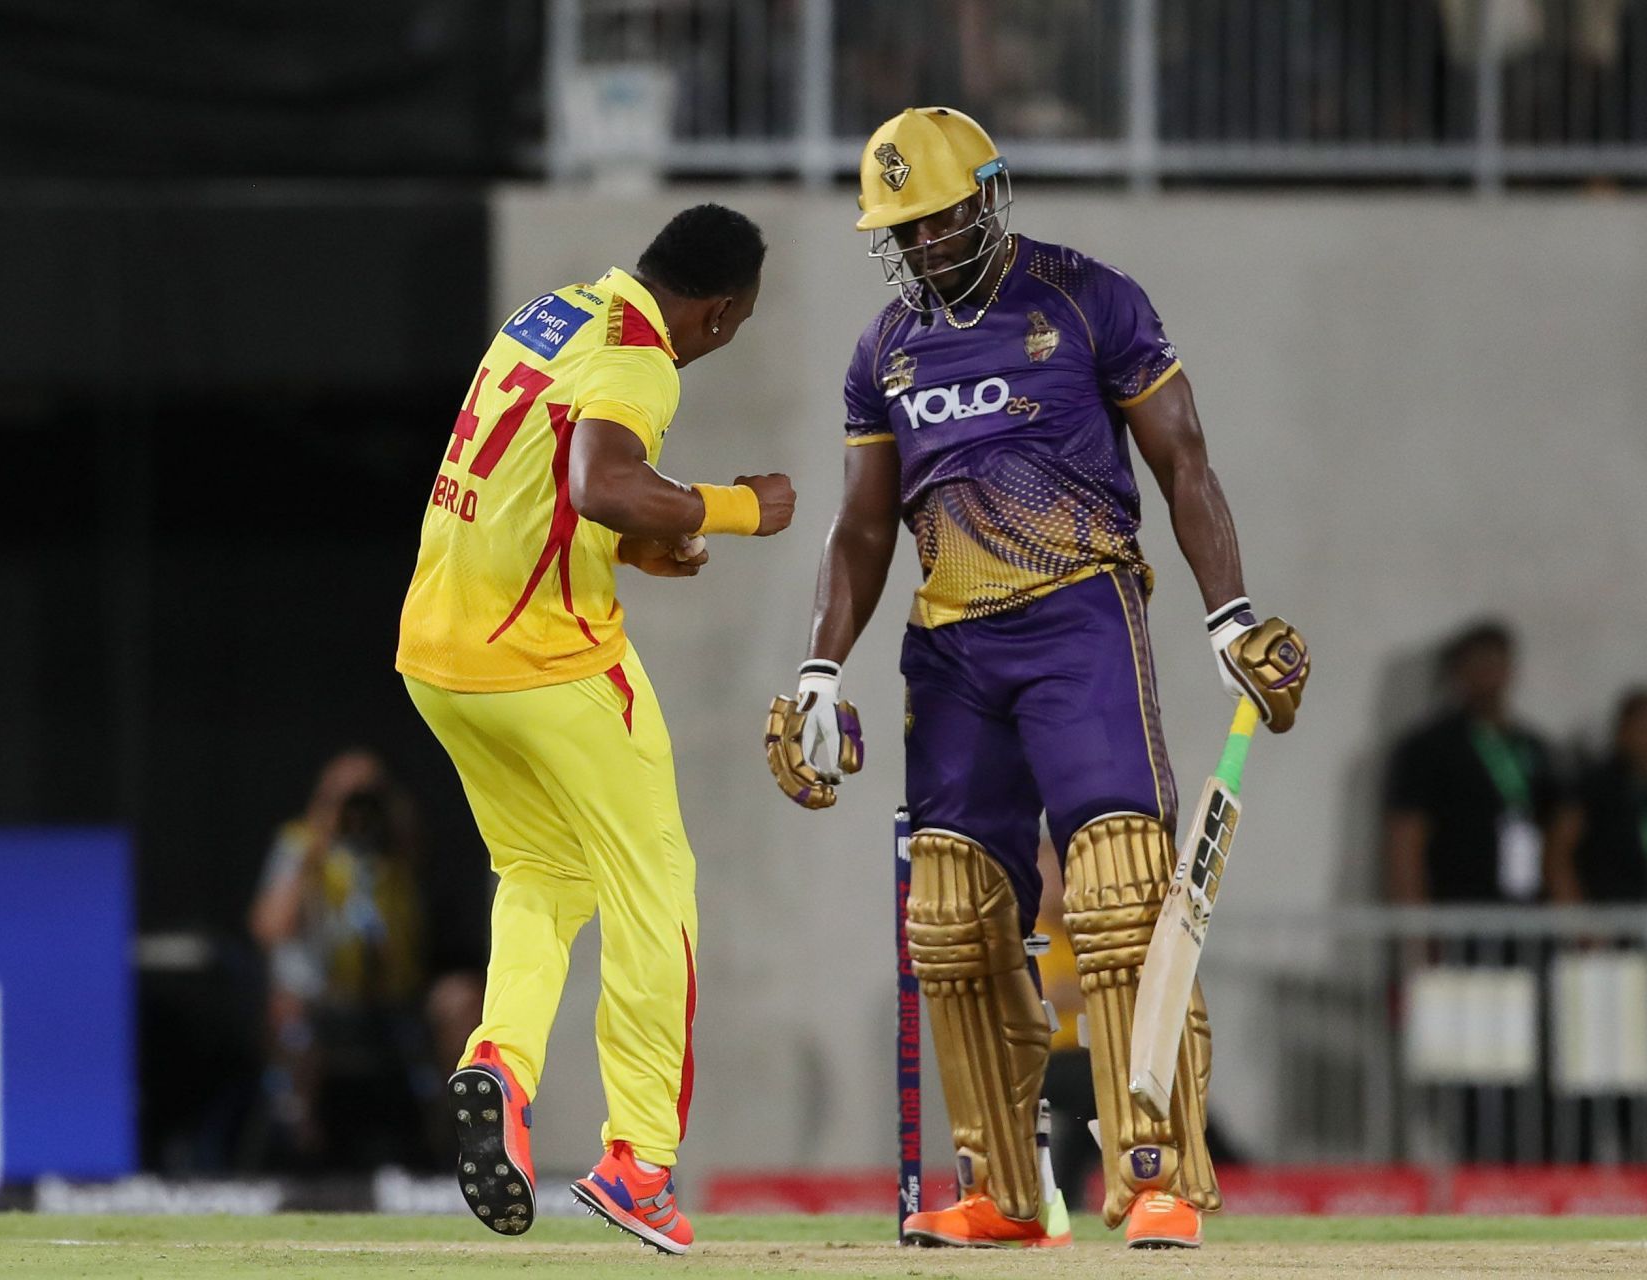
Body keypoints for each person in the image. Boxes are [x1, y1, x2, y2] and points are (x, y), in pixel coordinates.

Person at [764, 107, 1308, 1249]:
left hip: (1079, 618)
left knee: (1117, 893)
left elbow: (1183, 459)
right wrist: (818, 668)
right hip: (950, 648)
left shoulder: (1087, 298)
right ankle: (1009, 1192)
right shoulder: (884, 352)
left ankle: (1156, 1171)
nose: (917, 247)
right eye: (898, 231)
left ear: (985, 199)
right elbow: (863, 530)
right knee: (954, 921)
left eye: (933, 221)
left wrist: (1231, 620)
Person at [396, 204, 795, 1254]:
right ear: (714, 312)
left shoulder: (553, 312)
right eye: (738, 324)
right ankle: (638, 1162)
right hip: (549, 664)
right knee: (653, 888)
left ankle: (500, 1064)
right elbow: (600, 481)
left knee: (543, 870)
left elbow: (528, 494)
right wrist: (734, 505)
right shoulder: (641, 359)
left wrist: (628, 548)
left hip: (440, 657)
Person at [249, 749, 432, 1170]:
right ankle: (299, 1143)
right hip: (318, 996)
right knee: (288, 1011)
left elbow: (415, 848)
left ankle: (449, 1147)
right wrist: (319, 839)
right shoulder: (299, 843)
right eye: (345, 797)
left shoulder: (394, 850)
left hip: (390, 997)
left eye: (368, 797)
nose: (357, 809)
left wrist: (387, 813)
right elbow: (269, 926)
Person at [1383, 621, 1563, 907]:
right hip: (1457, 913)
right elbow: (1406, 839)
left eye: (1496, 664)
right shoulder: (1429, 747)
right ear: (1457, 673)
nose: (1489, 676)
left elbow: (1559, 835)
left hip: (1526, 914)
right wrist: (1415, 929)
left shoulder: (1533, 746)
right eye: (1478, 665)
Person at [1547, 688, 1647, 904]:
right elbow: (1559, 853)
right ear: (1622, 731)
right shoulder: (1594, 784)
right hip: (1601, 916)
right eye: (1644, 730)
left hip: (1641, 915)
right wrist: (1576, 918)